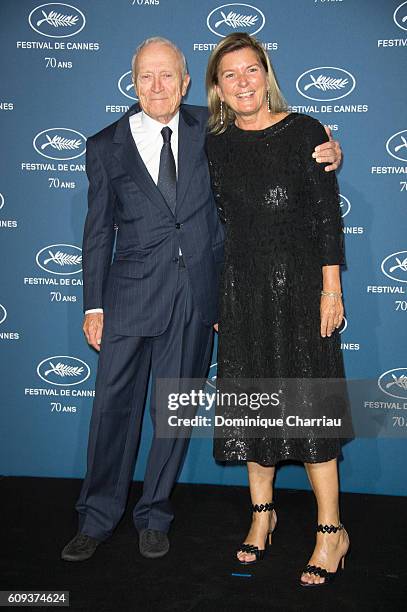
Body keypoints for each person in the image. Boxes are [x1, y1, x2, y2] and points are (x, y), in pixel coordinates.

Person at [61, 36, 341, 563]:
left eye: (169, 76)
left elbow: (274, 147)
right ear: (133, 82)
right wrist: (93, 304)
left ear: (187, 83)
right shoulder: (104, 145)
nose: (158, 86)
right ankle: (96, 517)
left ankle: (155, 515)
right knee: (112, 413)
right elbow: (97, 233)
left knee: (174, 413)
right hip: (128, 299)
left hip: (196, 300)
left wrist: (327, 152)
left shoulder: (208, 128)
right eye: (147, 76)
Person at [205, 33, 350, 586]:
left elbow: (326, 219)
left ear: (266, 73)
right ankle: (261, 518)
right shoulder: (214, 143)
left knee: (310, 405)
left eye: (250, 70)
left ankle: (330, 531)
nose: (242, 82)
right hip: (242, 291)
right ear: (217, 88)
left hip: (303, 294)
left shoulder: (306, 132)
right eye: (229, 75)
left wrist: (331, 291)